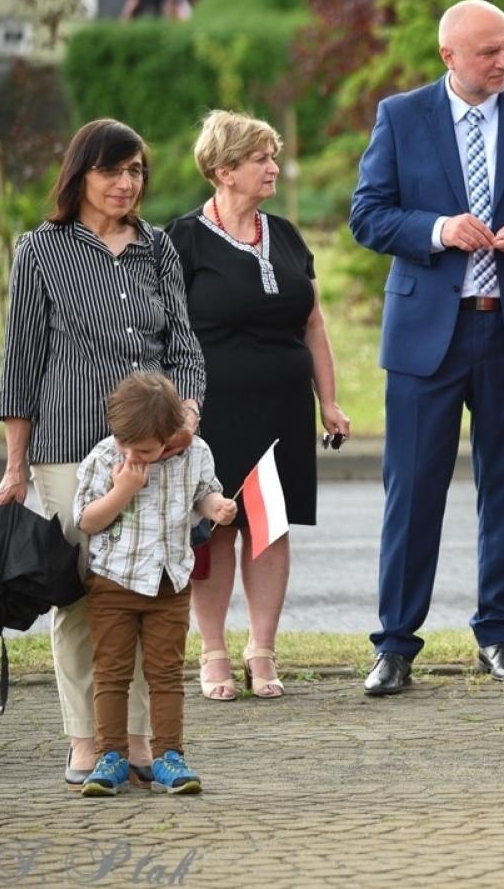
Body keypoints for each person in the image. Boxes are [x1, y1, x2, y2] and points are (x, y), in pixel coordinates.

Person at [349, 0, 504, 696]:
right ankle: (395, 645)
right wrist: (437, 230)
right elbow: (369, 215)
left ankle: (499, 636)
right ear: (450, 56)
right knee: (413, 492)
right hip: (429, 333)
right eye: (489, 53)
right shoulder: (402, 115)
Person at [0, 118, 207, 786]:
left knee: (147, 587)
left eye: (136, 171)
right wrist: (14, 466)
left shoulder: (159, 248)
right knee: (86, 596)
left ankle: (137, 741)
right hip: (65, 448)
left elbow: (185, 350)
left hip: (156, 450)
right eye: (112, 170)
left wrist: (187, 415)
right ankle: (87, 740)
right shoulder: (41, 249)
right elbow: (20, 363)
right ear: (81, 174)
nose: (126, 183)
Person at [168, 110, 351, 702]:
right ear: (223, 171)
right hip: (211, 409)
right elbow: (165, 332)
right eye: (260, 159)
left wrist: (330, 402)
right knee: (217, 529)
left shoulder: (288, 235)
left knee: (270, 528)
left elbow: (313, 323)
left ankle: (262, 649)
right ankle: (215, 650)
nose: (273, 167)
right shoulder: (182, 241)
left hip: (283, 406)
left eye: (272, 156)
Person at [73, 373, 236, 796]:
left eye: (144, 450)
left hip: (170, 583)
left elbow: (204, 494)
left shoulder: (195, 454)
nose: (133, 455)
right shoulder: (105, 457)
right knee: (111, 672)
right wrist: (123, 489)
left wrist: (215, 506)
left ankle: (169, 756)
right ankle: (111, 756)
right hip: (113, 583)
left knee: (165, 673)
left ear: (170, 438)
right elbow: (87, 520)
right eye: (125, 445)